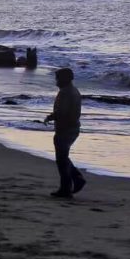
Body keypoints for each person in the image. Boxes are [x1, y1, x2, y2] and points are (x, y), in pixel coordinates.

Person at [43, 68, 86, 198]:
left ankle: (67, 188)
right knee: (63, 157)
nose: (56, 81)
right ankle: (75, 180)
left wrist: (50, 117)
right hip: (71, 128)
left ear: (65, 79)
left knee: (61, 159)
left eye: (58, 78)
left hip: (66, 129)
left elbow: (62, 112)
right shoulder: (73, 91)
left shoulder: (66, 93)